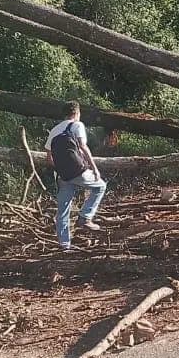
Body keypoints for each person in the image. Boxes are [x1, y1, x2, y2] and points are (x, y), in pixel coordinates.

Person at [44, 101, 107, 249]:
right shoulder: (77, 125)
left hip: (63, 176)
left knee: (63, 210)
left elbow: (49, 158)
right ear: (76, 113)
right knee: (100, 186)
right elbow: (83, 147)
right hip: (79, 170)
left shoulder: (54, 130)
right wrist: (94, 168)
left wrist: (62, 168)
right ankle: (85, 217)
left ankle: (64, 245)